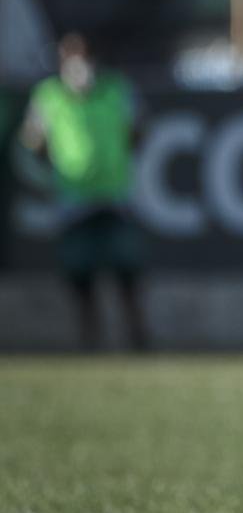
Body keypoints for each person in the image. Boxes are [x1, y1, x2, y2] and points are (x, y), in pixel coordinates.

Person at [18, 32, 146, 349]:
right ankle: (90, 337)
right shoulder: (49, 96)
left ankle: (137, 335)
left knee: (126, 269)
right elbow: (32, 141)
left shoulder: (116, 88)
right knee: (80, 274)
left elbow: (138, 130)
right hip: (73, 200)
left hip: (115, 196)